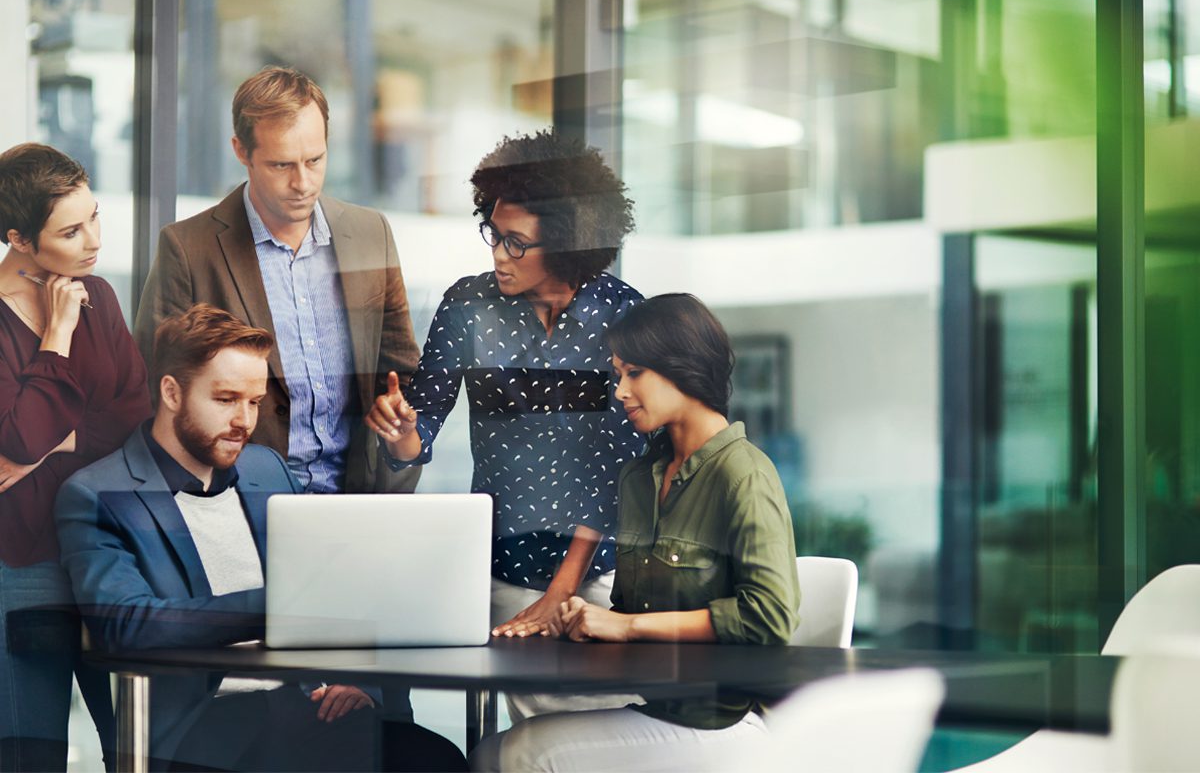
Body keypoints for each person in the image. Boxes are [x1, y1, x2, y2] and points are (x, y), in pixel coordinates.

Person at [55, 304, 465, 772]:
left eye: (253, 402)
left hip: (303, 705)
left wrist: (356, 681)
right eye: (226, 399)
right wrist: (279, 608)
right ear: (171, 392)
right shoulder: (97, 493)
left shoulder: (265, 468)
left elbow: (331, 588)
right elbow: (125, 624)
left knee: (436, 759)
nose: (244, 421)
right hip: (201, 729)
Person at [365, 130, 643, 719]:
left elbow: (618, 470)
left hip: (597, 574)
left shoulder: (623, 317)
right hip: (499, 568)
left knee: (591, 725)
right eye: (493, 234)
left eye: (517, 243)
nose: (497, 255)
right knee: (532, 721)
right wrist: (401, 432)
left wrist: (559, 595)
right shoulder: (468, 306)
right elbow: (424, 426)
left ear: (568, 245)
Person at [471, 293, 801, 772]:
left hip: (722, 724)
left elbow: (769, 618)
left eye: (635, 374)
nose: (620, 391)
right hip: (656, 707)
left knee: (521, 754)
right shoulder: (639, 478)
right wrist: (585, 620)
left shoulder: (744, 474)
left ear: (683, 368)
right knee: (489, 753)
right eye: (617, 375)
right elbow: (630, 610)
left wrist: (625, 626)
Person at [133, 65, 421, 498]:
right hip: (237, 506)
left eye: (315, 160)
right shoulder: (188, 249)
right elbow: (154, 394)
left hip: (355, 503)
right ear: (241, 151)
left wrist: (400, 428)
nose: (302, 183)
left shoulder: (369, 234)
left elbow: (401, 374)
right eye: (281, 164)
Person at [0, 142, 151, 771]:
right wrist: (57, 335)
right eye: (70, 230)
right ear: (19, 239)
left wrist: (53, 440)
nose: (92, 241)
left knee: (138, 746)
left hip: (109, 553)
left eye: (94, 218)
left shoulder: (103, 298)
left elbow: (134, 417)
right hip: (22, 563)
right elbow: (20, 440)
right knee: (30, 754)